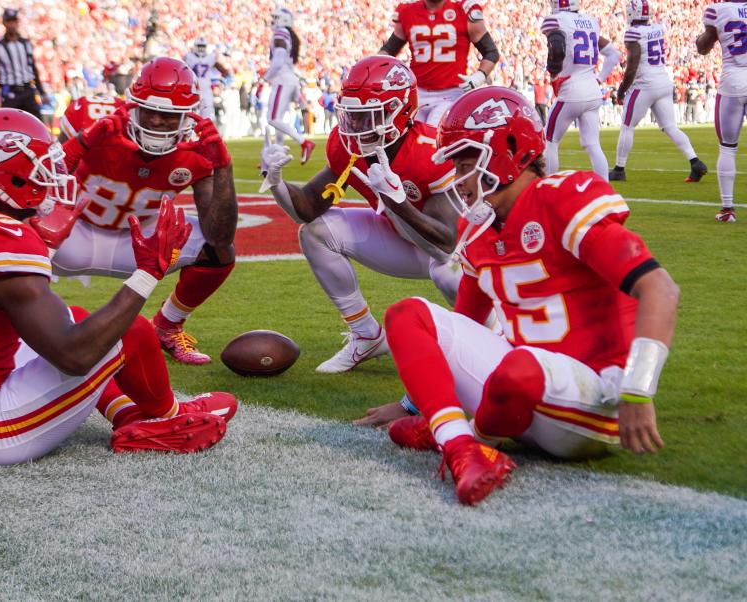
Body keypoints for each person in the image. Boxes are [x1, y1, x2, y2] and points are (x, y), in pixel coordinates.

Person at [367, 87, 678, 506]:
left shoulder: (560, 199)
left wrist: (639, 389)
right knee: (407, 314)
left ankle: (470, 434)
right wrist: (413, 401)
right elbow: (465, 328)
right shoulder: (477, 228)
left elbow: (659, 288)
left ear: (507, 150)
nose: (459, 179)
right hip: (512, 394)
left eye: (466, 163)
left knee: (520, 368)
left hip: (590, 396)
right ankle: (460, 446)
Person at [0, 109, 238, 465]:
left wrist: (45, 246)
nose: (54, 175)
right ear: (8, 177)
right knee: (129, 332)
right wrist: (147, 272)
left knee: (74, 316)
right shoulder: (4, 237)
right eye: (43, 166)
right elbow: (74, 357)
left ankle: (129, 414)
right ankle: (170, 415)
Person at [262, 56, 461, 373]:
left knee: (447, 272)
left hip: (456, 253)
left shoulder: (428, 151)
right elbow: (309, 208)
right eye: (353, 116)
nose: (358, 127)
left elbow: (446, 244)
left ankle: (483, 339)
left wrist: (397, 203)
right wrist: (276, 183)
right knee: (315, 232)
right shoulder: (347, 146)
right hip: (401, 240)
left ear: (402, 110)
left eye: (370, 116)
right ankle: (366, 334)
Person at [52, 57, 238, 366]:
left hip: (141, 245)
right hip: (71, 236)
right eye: (151, 110)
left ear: (187, 117)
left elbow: (219, 236)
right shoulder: (96, 120)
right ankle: (19, 329)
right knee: (19, 230)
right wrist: (82, 143)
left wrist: (223, 169)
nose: (158, 121)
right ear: (133, 104)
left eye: (169, 115)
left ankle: (167, 326)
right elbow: (40, 186)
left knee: (218, 252)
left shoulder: (197, 149)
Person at [610, 0, 708, 183]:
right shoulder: (657, 28)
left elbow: (632, 66)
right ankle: (695, 162)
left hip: (644, 85)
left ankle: (619, 169)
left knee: (627, 126)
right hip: (662, 81)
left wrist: (622, 90)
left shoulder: (633, 32)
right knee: (670, 127)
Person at [378, 0, 500, 126]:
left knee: (433, 135)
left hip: (450, 95)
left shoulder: (463, 10)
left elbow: (491, 52)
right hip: (416, 93)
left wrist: (479, 76)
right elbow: (389, 50)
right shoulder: (408, 11)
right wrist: (370, 67)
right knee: (409, 137)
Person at [541, 0, 621, 180]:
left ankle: (549, 186)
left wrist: (554, 74)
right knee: (593, 144)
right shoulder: (591, 21)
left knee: (549, 140)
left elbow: (556, 47)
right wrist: (599, 79)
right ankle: (605, 190)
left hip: (571, 89)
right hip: (592, 91)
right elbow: (614, 54)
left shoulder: (556, 20)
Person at [697, 1, 747, 223]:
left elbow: (703, 47)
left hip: (733, 81)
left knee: (727, 148)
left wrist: (705, 36)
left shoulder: (717, 10)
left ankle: (728, 210)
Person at [260, 8, 315, 173]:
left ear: (283, 19)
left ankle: (304, 142)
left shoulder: (280, 33)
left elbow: (277, 62)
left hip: (282, 79)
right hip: (290, 79)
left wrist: (264, 79)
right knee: (278, 121)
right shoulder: (289, 34)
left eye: (276, 18)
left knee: (272, 118)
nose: (273, 21)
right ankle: (276, 157)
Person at [0, 8, 49, 120]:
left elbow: (33, 68)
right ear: (4, 23)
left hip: (28, 90)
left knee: (36, 122)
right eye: (9, 21)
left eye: (14, 21)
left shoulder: (26, 43)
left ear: (18, 22)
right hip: (9, 92)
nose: (12, 24)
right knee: (9, 125)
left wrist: (41, 91)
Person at [184, 38, 231, 121]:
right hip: (193, 89)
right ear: (195, 46)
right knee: (192, 114)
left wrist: (225, 76)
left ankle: (205, 132)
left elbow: (223, 71)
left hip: (205, 90)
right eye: (199, 46)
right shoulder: (188, 56)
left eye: (203, 46)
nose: (201, 48)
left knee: (207, 114)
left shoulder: (211, 57)